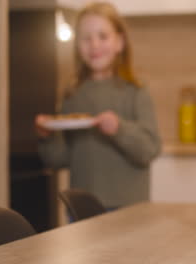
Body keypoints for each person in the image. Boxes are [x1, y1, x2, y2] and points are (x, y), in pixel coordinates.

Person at [35, 2, 161, 208]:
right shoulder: (72, 94)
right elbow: (58, 159)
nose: (94, 45)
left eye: (102, 36)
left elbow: (149, 150)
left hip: (129, 210)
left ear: (120, 42)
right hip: (81, 209)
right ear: (77, 44)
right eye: (86, 38)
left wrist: (119, 129)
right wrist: (47, 135)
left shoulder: (136, 90)